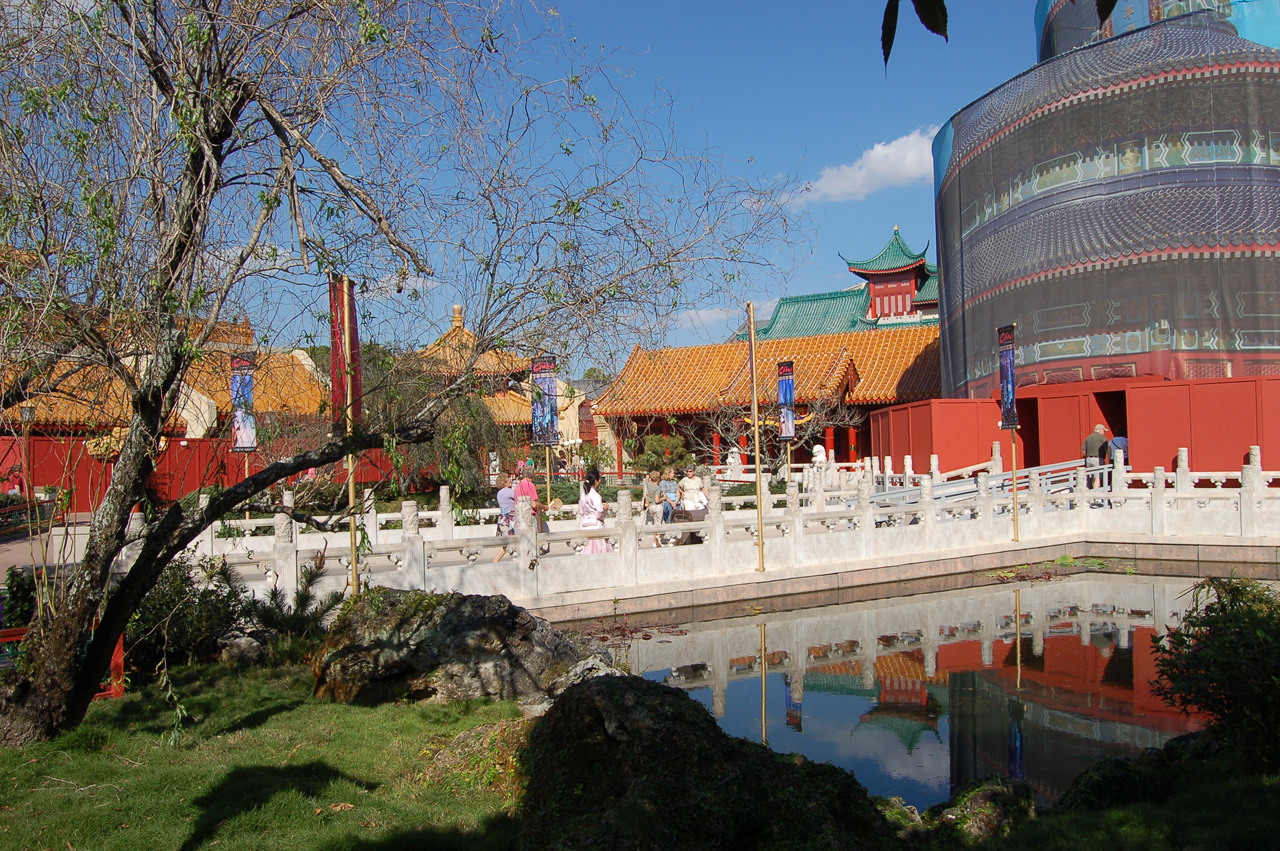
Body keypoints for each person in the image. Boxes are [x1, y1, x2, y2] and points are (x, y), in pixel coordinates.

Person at [577, 468, 611, 555]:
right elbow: (599, 513)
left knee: (587, 552)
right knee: (599, 552)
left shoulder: (583, 495)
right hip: (596, 526)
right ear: (596, 481)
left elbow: (580, 511)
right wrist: (604, 508)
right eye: (599, 479)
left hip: (585, 525)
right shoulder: (596, 496)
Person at [513, 466, 549, 533]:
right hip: (529, 517)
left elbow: (515, 505)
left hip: (520, 517)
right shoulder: (530, 485)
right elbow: (534, 504)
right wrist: (544, 507)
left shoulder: (517, 486)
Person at [492, 473, 515, 563]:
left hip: (503, 519)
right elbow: (519, 495)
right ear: (505, 483)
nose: (510, 480)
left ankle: (495, 562)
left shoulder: (499, 493)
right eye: (508, 479)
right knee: (512, 542)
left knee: (506, 545)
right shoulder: (507, 491)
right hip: (510, 520)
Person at [642, 469, 664, 544]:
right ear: (658, 478)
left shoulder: (649, 485)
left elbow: (647, 481)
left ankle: (655, 540)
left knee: (654, 522)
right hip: (657, 506)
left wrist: (647, 477)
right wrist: (664, 498)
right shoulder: (657, 488)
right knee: (658, 523)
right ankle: (657, 539)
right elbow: (657, 500)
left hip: (650, 507)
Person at [1082, 423, 1109, 487]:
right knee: (1097, 477)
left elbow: (1083, 450)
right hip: (1098, 459)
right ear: (1100, 430)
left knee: (1090, 477)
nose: (1104, 432)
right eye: (1103, 430)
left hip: (1088, 459)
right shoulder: (1103, 438)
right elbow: (1107, 450)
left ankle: (1089, 492)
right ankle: (1096, 494)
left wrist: (1087, 455)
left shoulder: (1088, 438)